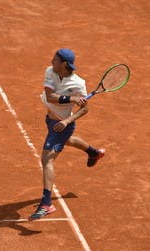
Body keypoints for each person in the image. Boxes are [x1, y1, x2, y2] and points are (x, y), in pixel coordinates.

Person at [28, 48, 105, 221]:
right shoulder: (50, 72)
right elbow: (50, 97)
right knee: (67, 142)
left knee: (47, 159)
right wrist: (72, 99)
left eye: (54, 60)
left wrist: (66, 122)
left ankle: (46, 203)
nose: (51, 61)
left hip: (62, 126)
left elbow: (85, 109)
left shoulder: (78, 84)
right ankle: (93, 152)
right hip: (50, 121)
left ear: (64, 64)